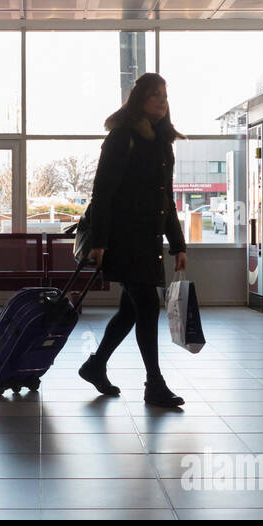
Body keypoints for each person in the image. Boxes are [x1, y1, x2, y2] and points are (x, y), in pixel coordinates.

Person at [77, 73, 189, 407]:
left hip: (149, 242)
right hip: (123, 242)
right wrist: (98, 242)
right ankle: (154, 383)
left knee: (130, 311)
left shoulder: (162, 143)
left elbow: (165, 199)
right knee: (147, 305)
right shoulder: (121, 137)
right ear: (139, 98)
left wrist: (178, 244)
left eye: (165, 96)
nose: (161, 101)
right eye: (154, 95)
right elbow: (103, 192)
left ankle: (95, 365)